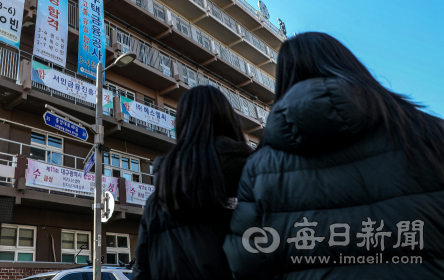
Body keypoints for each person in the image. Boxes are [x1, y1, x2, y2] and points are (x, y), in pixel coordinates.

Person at [224, 32, 444, 279]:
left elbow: (246, 262)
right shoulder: (430, 133)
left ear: (284, 79)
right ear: (348, 64)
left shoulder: (259, 168)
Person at [131, 85, 253, 280]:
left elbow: (142, 271)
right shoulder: (258, 179)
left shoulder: (158, 201)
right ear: (230, 121)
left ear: (182, 126)